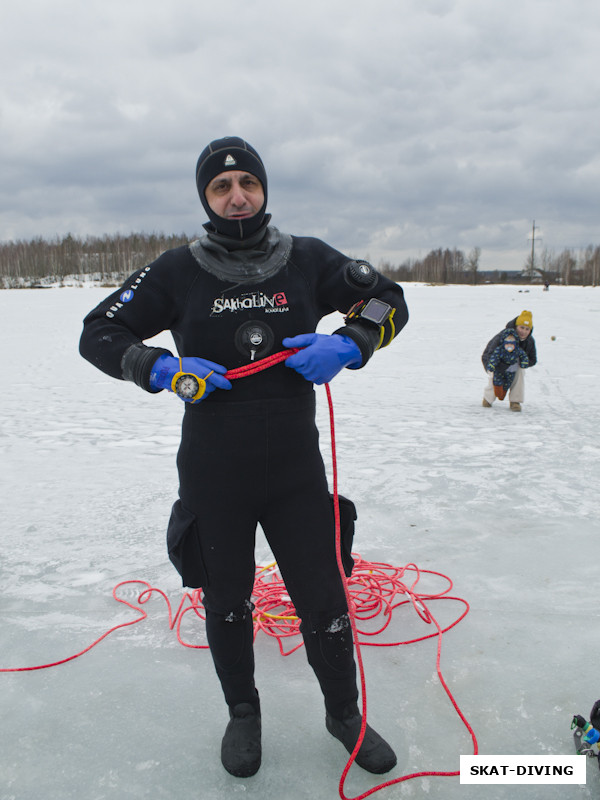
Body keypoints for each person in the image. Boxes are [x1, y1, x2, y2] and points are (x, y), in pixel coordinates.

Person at [79, 136, 409, 779]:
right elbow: (98, 332)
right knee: (226, 603)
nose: (237, 196)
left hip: (294, 469)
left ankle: (345, 715)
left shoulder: (308, 260)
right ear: (206, 197)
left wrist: (351, 343)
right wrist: (159, 367)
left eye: (247, 184)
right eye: (221, 187)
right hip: (213, 468)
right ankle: (243, 714)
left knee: (324, 601)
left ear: (263, 190)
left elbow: (388, 298)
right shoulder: (177, 270)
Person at [481, 310, 537, 412]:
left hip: (515, 366)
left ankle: (515, 401)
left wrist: (522, 362)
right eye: (521, 327)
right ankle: (488, 399)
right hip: (496, 362)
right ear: (516, 326)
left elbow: (533, 359)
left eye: (527, 329)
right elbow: (489, 352)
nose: (523, 331)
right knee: (496, 379)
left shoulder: (529, 341)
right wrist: (493, 366)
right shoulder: (503, 336)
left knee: (520, 372)